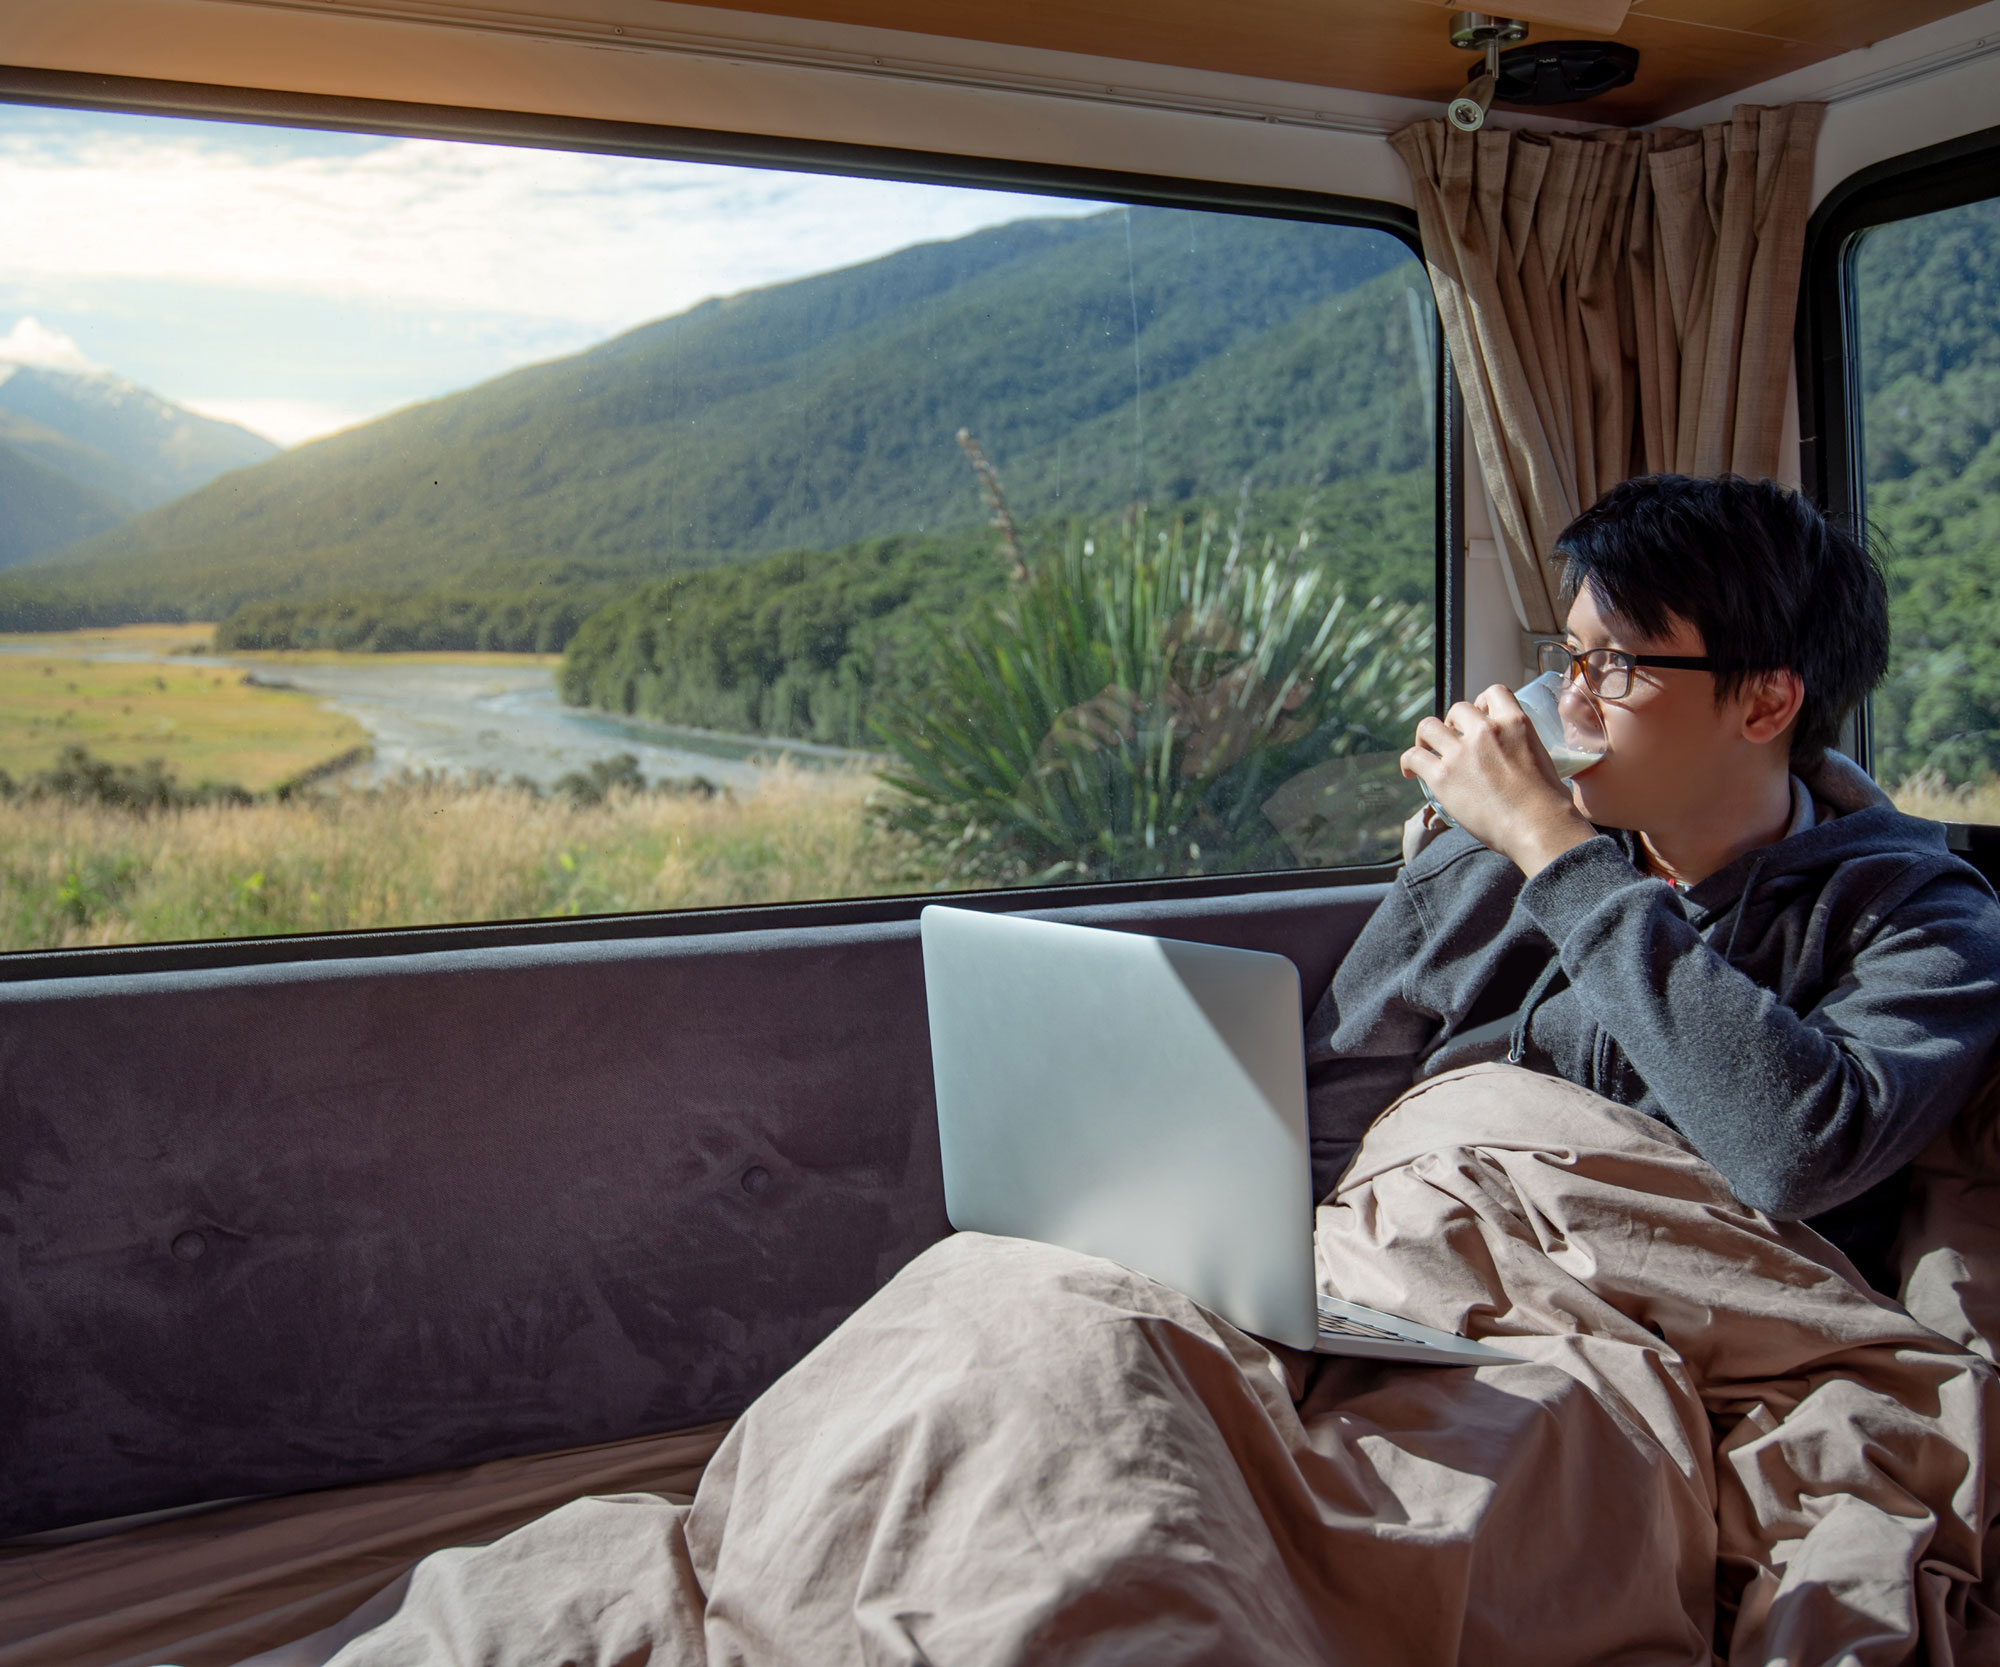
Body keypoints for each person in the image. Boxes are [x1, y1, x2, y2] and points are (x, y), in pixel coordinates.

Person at [1306, 472, 2000, 1291]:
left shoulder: (1920, 917)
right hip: (1423, 1295)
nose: (1569, 702)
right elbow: (1322, 1136)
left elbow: (1795, 1156)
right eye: (1570, 658)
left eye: (1611, 665)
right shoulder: (1480, 868)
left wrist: (1553, 849)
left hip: (1707, 1322)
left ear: (1765, 705)